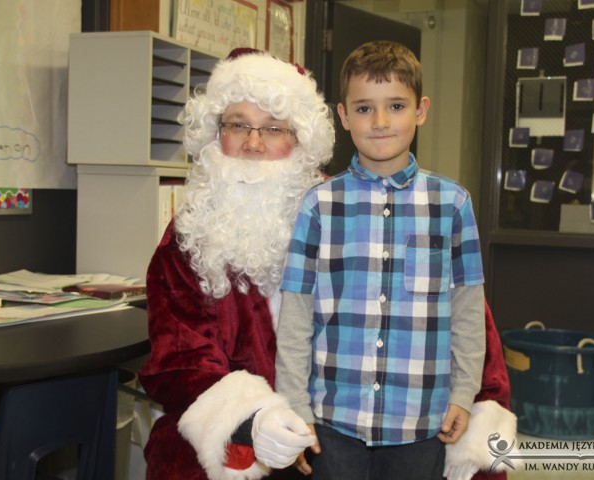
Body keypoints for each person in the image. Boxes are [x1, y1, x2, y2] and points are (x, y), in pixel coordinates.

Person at [275, 40, 490, 479]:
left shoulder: (452, 204)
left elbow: (468, 309)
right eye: (364, 108)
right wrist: (294, 403)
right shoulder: (318, 205)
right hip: (334, 420)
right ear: (343, 116)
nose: (380, 122)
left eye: (395, 105)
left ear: (421, 110)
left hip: (421, 420)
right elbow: (296, 314)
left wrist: (464, 393)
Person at [137, 48, 335, 480]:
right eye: (238, 125)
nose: (253, 144)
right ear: (215, 134)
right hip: (229, 424)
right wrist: (253, 417)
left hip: (336, 422)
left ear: (301, 142)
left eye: (273, 129)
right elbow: (180, 360)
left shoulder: (343, 214)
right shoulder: (189, 235)